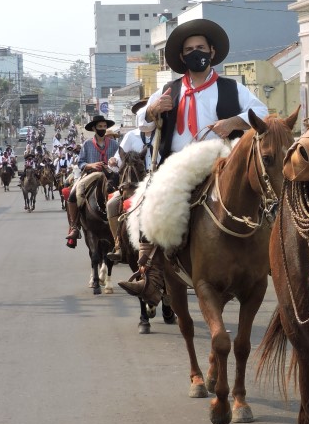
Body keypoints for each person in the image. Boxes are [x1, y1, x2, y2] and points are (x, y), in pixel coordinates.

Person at [118, 18, 268, 296]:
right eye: (189, 49)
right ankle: (148, 269)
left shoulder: (232, 88)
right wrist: (152, 110)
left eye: (201, 47)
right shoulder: (169, 90)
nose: (195, 52)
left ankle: (273, 255)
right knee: (148, 200)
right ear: (182, 56)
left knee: (267, 192)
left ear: (212, 52)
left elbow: (263, 114)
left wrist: (233, 122)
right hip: (175, 166)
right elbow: (142, 123)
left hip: (221, 163)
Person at [105, 99, 155, 263]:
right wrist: (112, 162)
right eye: (142, 113)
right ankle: (118, 245)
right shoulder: (130, 136)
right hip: (133, 187)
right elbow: (118, 161)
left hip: (159, 184)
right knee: (111, 205)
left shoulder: (166, 133)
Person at [64, 114, 120, 248]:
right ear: (94, 128)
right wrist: (91, 165)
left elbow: (119, 160)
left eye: (104, 126)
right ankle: (74, 227)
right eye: (100, 126)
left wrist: (114, 162)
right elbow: (81, 162)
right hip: (91, 175)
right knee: (72, 195)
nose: (102, 128)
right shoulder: (87, 144)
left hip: (110, 176)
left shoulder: (114, 144)